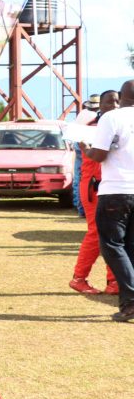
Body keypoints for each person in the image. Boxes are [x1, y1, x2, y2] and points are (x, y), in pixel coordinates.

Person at [82, 80, 134, 322]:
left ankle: (131, 299)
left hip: (116, 190)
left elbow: (100, 155)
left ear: (121, 96)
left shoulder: (112, 118)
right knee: (130, 248)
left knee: (112, 246)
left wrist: (87, 149)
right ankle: (128, 305)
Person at [70, 90, 119, 295]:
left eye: (117, 101)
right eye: (109, 102)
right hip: (94, 186)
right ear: (100, 106)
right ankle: (79, 278)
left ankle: (113, 281)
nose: (114, 106)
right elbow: (95, 158)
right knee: (97, 232)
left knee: (114, 233)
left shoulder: (113, 125)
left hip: (107, 186)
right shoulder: (91, 129)